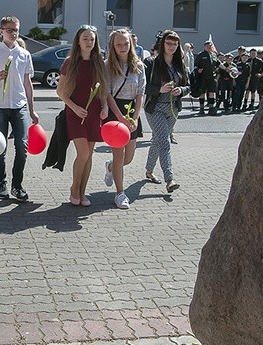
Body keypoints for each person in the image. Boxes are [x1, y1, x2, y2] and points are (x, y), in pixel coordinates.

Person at [0, 15, 39, 201]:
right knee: (0, 147)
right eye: (9, 30)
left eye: (16, 30)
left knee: (22, 147)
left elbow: (27, 83)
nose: (13, 33)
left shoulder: (24, 54)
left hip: (19, 106)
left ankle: (17, 185)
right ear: (1, 31)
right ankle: (0, 183)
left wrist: (31, 109)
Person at [56, 25, 108, 207]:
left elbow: (103, 90)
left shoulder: (99, 62)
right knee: (83, 152)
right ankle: (74, 188)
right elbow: (60, 91)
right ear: (78, 41)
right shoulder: (70, 62)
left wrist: (105, 107)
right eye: (85, 38)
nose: (89, 42)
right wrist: (75, 107)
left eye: (92, 39)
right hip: (75, 113)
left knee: (89, 155)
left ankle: (83, 192)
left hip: (94, 113)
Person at [142, 30, 191, 193]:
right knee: (165, 141)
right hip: (155, 108)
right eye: (169, 43)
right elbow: (142, 87)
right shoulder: (151, 62)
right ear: (162, 44)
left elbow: (188, 86)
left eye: (175, 44)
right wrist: (159, 89)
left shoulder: (180, 64)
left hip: (173, 109)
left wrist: (181, 90)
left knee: (158, 139)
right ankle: (169, 179)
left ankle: (149, 171)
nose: (172, 47)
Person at [102, 29, 145, 209]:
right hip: (115, 113)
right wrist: (120, 118)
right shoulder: (107, 65)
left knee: (129, 158)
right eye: (118, 44)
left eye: (126, 43)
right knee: (119, 155)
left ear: (131, 44)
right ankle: (120, 193)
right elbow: (108, 93)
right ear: (112, 45)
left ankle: (110, 167)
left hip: (132, 112)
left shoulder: (139, 65)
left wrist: (134, 117)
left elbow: (140, 93)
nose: (122, 47)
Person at [194, 38, 220, 115]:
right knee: (202, 93)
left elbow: (219, 64)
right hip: (203, 77)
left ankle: (211, 108)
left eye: (210, 46)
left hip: (212, 77)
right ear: (204, 46)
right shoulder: (201, 55)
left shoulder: (214, 55)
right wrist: (198, 70)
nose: (209, 47)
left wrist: (227, 69)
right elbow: (195, 65)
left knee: (212, 92)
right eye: (207, 46)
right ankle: (201, 108)